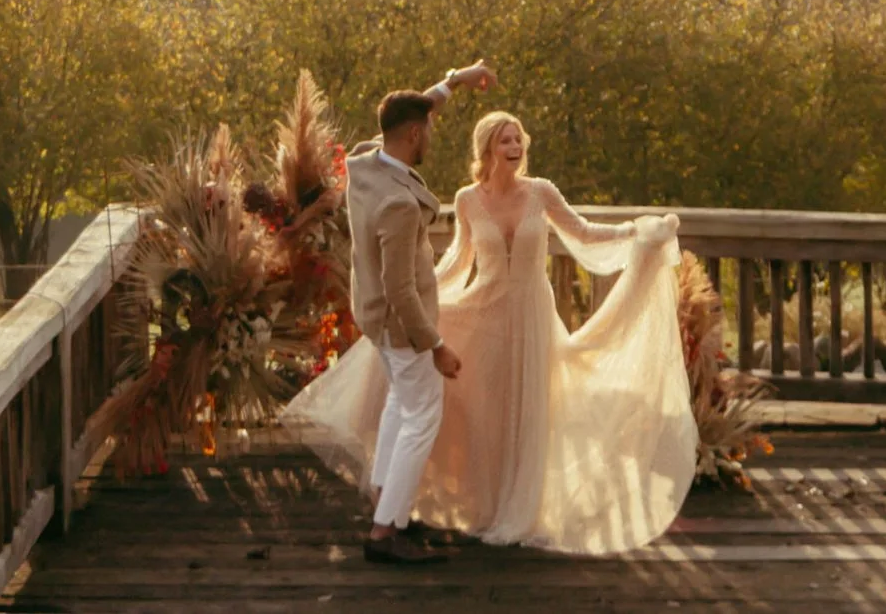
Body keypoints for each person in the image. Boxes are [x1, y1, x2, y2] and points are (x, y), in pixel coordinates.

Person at [286, 100, 698, 559]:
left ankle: (506, 508)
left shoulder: (541, 193)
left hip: (530, 317)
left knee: (524, 411)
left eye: (519, 138)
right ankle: (441, 507)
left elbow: (583, 233)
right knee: (476, 413)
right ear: (486, 148)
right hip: (482, 312)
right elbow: (458, 260)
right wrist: (419, 309)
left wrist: (638, 233)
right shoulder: (466, 199)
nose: (515, 145)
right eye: (506, 139)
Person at [331, 63, 494, 564]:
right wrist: (437, 346)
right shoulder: (398, 205)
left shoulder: (365, 163)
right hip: (401, 325)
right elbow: (401, 289)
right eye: (428, 131)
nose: (432, 138)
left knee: (401, 408)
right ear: (413, 135)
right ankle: (384, 534)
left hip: (374, 318)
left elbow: (411, 111)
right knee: (422, 415)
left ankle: (388, 504)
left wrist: (455, 80)